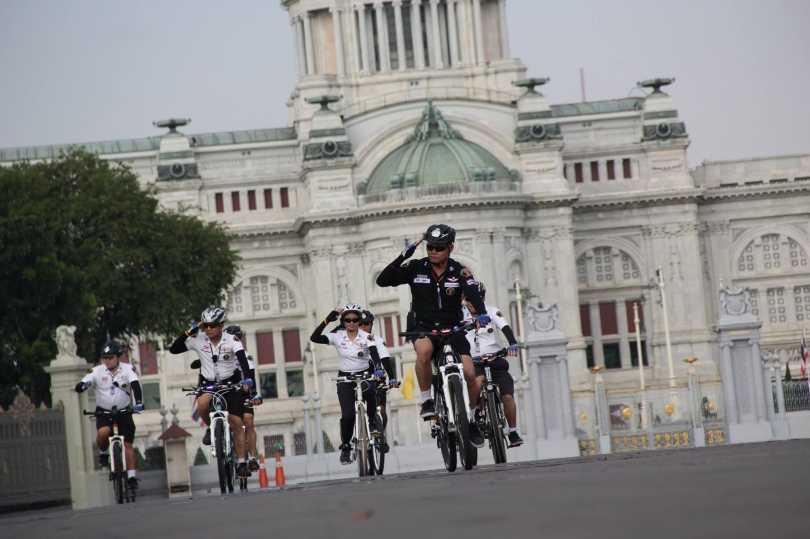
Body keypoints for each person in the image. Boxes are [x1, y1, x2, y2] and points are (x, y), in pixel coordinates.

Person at [375, 224, 490, 447]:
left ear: (450, 248)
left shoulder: (460, 270)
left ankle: (474, 418)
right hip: (422, 326)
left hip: (452, 328)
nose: (433, 251)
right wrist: (405, 253)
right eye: (430, 247)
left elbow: (473, 292)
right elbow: (383, 280)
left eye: (439, 248)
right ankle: (427, 400)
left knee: (469, 374)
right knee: (425, 351)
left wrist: (482, 314)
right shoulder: (416, 267)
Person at [168, 306, 253, 478]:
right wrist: (187, 332)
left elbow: (243, 361)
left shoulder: (232, 340)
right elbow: (174, 349)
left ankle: (242, 462)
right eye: (205, 325)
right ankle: (211, 427)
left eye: (213, 326)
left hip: (231, 383)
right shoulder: (198, 339)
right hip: (209, 384)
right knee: (202, 404)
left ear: (221, 325)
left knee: (237, 422)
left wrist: (247, 380)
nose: (209, 329)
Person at [310, 304, 385, 465]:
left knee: (372, 394)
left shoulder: (367, 337)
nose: (351, 323)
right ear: (343, 321)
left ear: (359, 321)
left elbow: (374, 354)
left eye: (355, 320)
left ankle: (372, 422)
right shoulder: (338, 335)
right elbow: (314, 338)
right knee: (348, 415)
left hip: (364, 375)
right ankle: (345, 446)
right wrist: (327, 319)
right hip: (345, 379)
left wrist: (378, 368)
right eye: (348, 320)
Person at [75, 340, 144, 491]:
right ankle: (103, 452)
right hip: (104, 412)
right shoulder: (97, 370)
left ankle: (131, 476)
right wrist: (82, 385)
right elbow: (87, 381)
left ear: (118, 357)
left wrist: (138, 402)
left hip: (124, 412)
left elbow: (135, 385)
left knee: (127, 445)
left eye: (110, 357)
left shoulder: (127, 369)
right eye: (104, 358)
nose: (107, 361)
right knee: (103, 432)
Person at [462, 282, 523, 447]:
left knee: (508, 396)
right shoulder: (460, 315)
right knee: (477, 381)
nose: (472, 303)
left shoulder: (491, 310)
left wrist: (512, 343)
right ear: (464, 299)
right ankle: (473, 417)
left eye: (477, 298)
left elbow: (504, 327)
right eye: (469, 299)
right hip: (474, 361)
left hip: (495, 360)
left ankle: (513, 431)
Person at [224, 324, 262, 472]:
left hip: (243, 391)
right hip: (227, 391)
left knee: (248, 421)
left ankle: (252, 458)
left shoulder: (246, 356)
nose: (237, 341)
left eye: (239, 338)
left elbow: (251, 377)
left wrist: (254, 393)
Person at [359, 310, 399, 444]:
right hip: (359, 376)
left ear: (371, 324)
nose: (364, 327)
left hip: (376, 375)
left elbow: (385, 358)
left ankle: (381, 436)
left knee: (381, 411)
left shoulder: (377, 340)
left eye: (367, 324)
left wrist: (392, 377)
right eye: (361, 324)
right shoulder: (351, 340)